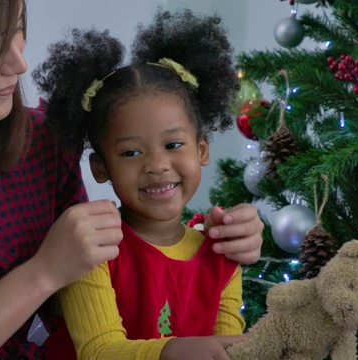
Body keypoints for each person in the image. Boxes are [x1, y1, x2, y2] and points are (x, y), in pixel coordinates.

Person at [0, 2, 264, 359]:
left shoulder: (44, 144)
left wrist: (231, 236)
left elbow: (122, 257)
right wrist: (44, 273)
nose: (19, 62)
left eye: (17, 28)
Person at [33, 9, 255, 360]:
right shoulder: (91, 249)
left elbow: (227, 349)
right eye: (132, 152)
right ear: (101, 167)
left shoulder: (221, 257)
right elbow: (99, 351)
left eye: (173, 145)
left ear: (202, 149)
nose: (156, 166)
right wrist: (176, 350)